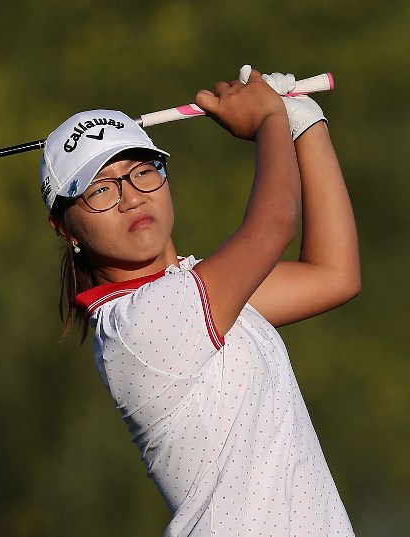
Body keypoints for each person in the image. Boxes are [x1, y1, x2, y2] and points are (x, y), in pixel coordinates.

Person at [39, 67, 360, 536]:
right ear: (65, 227)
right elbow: (273, 226)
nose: (131, 198)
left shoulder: (196, 291)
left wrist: (304, 126)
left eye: (142, 171)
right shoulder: (136, 324)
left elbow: (333, 275)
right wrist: (269, 118)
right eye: (101, 190)